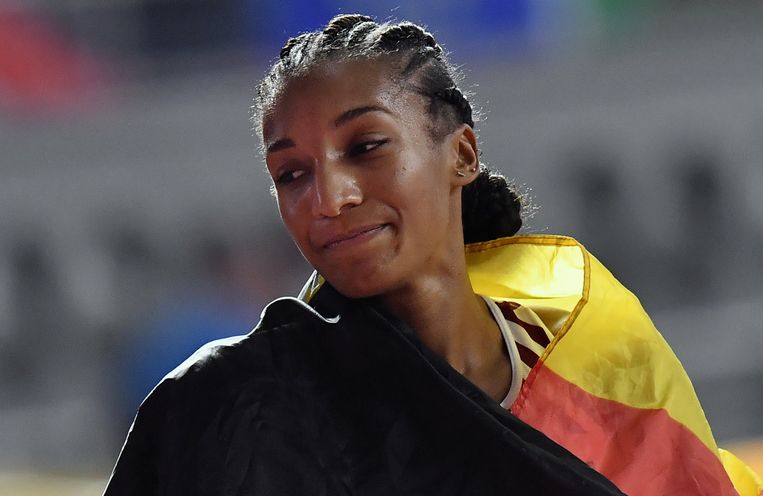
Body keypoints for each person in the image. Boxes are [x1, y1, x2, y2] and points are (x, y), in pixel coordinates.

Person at [103, 14, 762, 496]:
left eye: (365, 147)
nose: (329, 198)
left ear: (462, 155)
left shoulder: (597, 349)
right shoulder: (234, 407)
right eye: (292, 175)